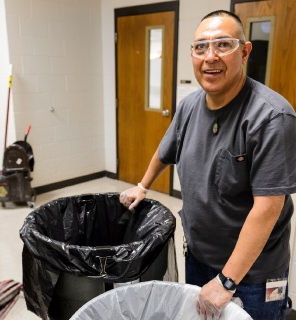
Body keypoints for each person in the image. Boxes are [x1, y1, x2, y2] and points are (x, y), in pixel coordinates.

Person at [119, 9, 296, 320]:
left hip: (252, 275)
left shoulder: (271, 117)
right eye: (200, 47)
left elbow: (268, 207)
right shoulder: (189, 106)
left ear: (245, 52)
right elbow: (165, 151)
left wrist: (227, 281)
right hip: (199, 256)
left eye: (223, 45)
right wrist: (143, 186)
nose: (210, 56)